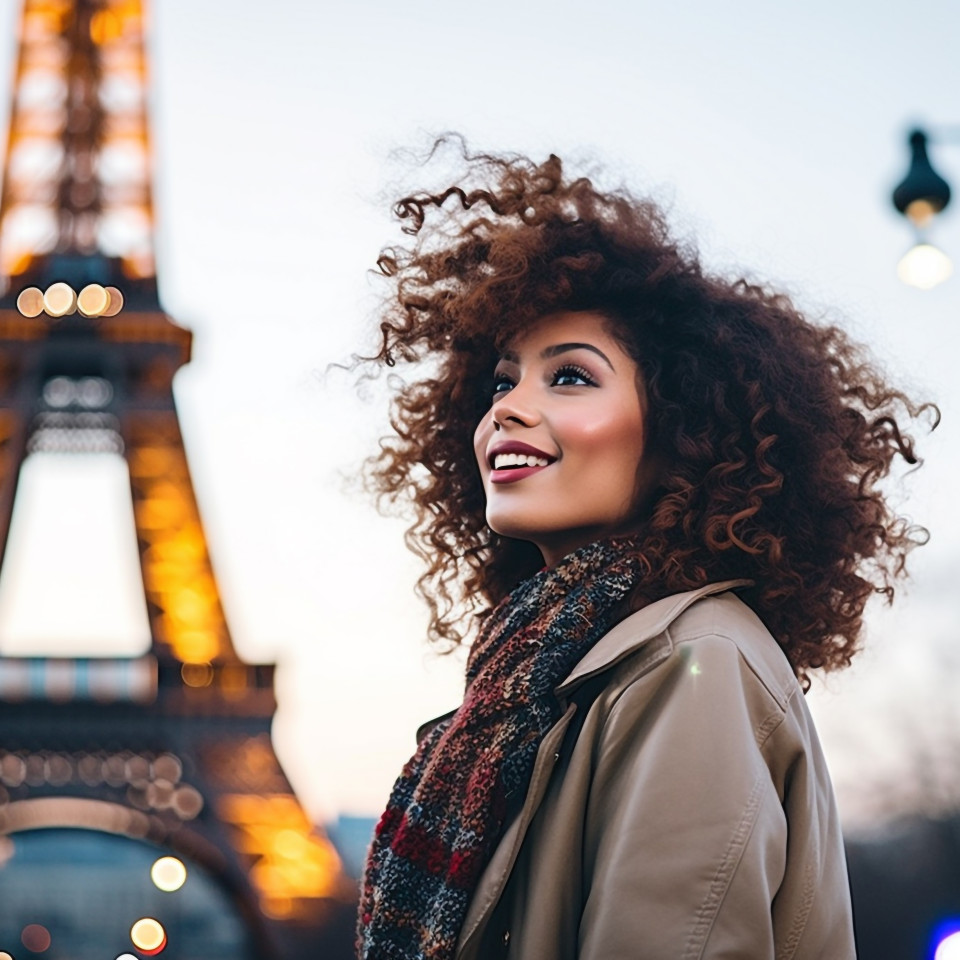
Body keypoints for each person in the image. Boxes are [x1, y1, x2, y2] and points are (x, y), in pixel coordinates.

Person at [353, 142, 936, 960]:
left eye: (571, 378)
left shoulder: (691, 663)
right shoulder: (548, 680)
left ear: (683, 437)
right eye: (502, 382)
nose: (509, 410)